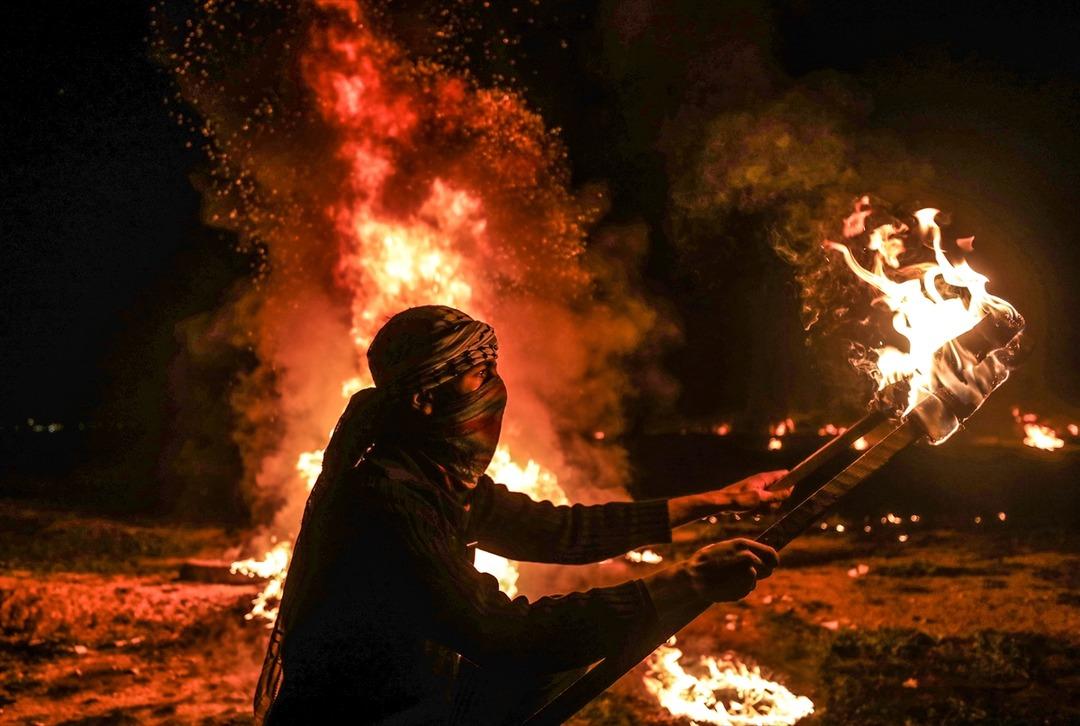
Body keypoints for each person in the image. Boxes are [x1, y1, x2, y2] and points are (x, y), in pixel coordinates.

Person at [255, 305, 791, 725]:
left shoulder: (426, 473)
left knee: (573, 645)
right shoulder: (389, 502)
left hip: (412, 691)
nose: (494, 388)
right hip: (371, 717)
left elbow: (560, 531)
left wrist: (716, 502)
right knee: (563, 646)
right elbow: (504, 634)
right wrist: (684, 582)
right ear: (423, 399)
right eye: (479, 373)